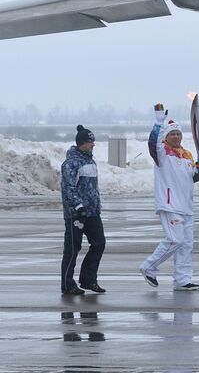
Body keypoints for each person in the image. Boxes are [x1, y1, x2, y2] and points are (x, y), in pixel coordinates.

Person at [140, 116, 199, 290]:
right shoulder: (162, 153)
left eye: (178, 134)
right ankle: (149, 266)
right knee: (175, 240)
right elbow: (152, 143)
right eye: (172, 134)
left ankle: (183, 279)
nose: (176, 137)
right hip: (170, 204)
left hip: (186, 206)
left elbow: (194, 179)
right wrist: (158, 123)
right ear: (166, 137)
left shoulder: (187, 155)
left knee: (186, 245)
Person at [60, 125, 106, 296]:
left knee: (99, 243)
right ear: (81, 143)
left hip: (92, 213)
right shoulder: (71, 164)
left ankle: (88, 279)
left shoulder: (90, 162)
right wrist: (78, 207)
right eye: (89, 142)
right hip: (76, 214)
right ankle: (67, 284)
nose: (93, 144)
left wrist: (95, 207)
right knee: (72, 249)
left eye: (93, 141)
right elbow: (68, 189)